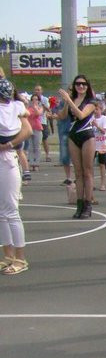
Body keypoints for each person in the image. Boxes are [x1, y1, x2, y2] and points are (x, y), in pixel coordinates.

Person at [0, 77, 33, 275]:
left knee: (11, 211)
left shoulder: (13, 108)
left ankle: (20, 258)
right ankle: (8, 255)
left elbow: (27, 130)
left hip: (7, 159)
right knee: (2, 213)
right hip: (6, 156)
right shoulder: (16, 107)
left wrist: (8, 145)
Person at [57, 75, 97, 219]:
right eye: (78, 84)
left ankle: (88, 203)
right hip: (73, 135)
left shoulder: (91, 101)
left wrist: (69, 100)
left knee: (88, 171)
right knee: (78, 172)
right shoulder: (72, 100)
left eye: (83, 84)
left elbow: (81, 115)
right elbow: (62, 116)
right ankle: (79, 204)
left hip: (87, 134)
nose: (80, 86)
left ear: (88, 86)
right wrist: (67, 102)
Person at [91, 102, 106, 192]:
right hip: (93, 145)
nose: (95, 111)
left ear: (101, 110)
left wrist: (96, 125)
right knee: (90, 165)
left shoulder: (104, 118)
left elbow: (104, 131)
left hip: (102, 145)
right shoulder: (91, 119)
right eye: (94, 110)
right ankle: (91, 183)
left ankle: (103, 184)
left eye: (97, 109)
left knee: (102, 165)